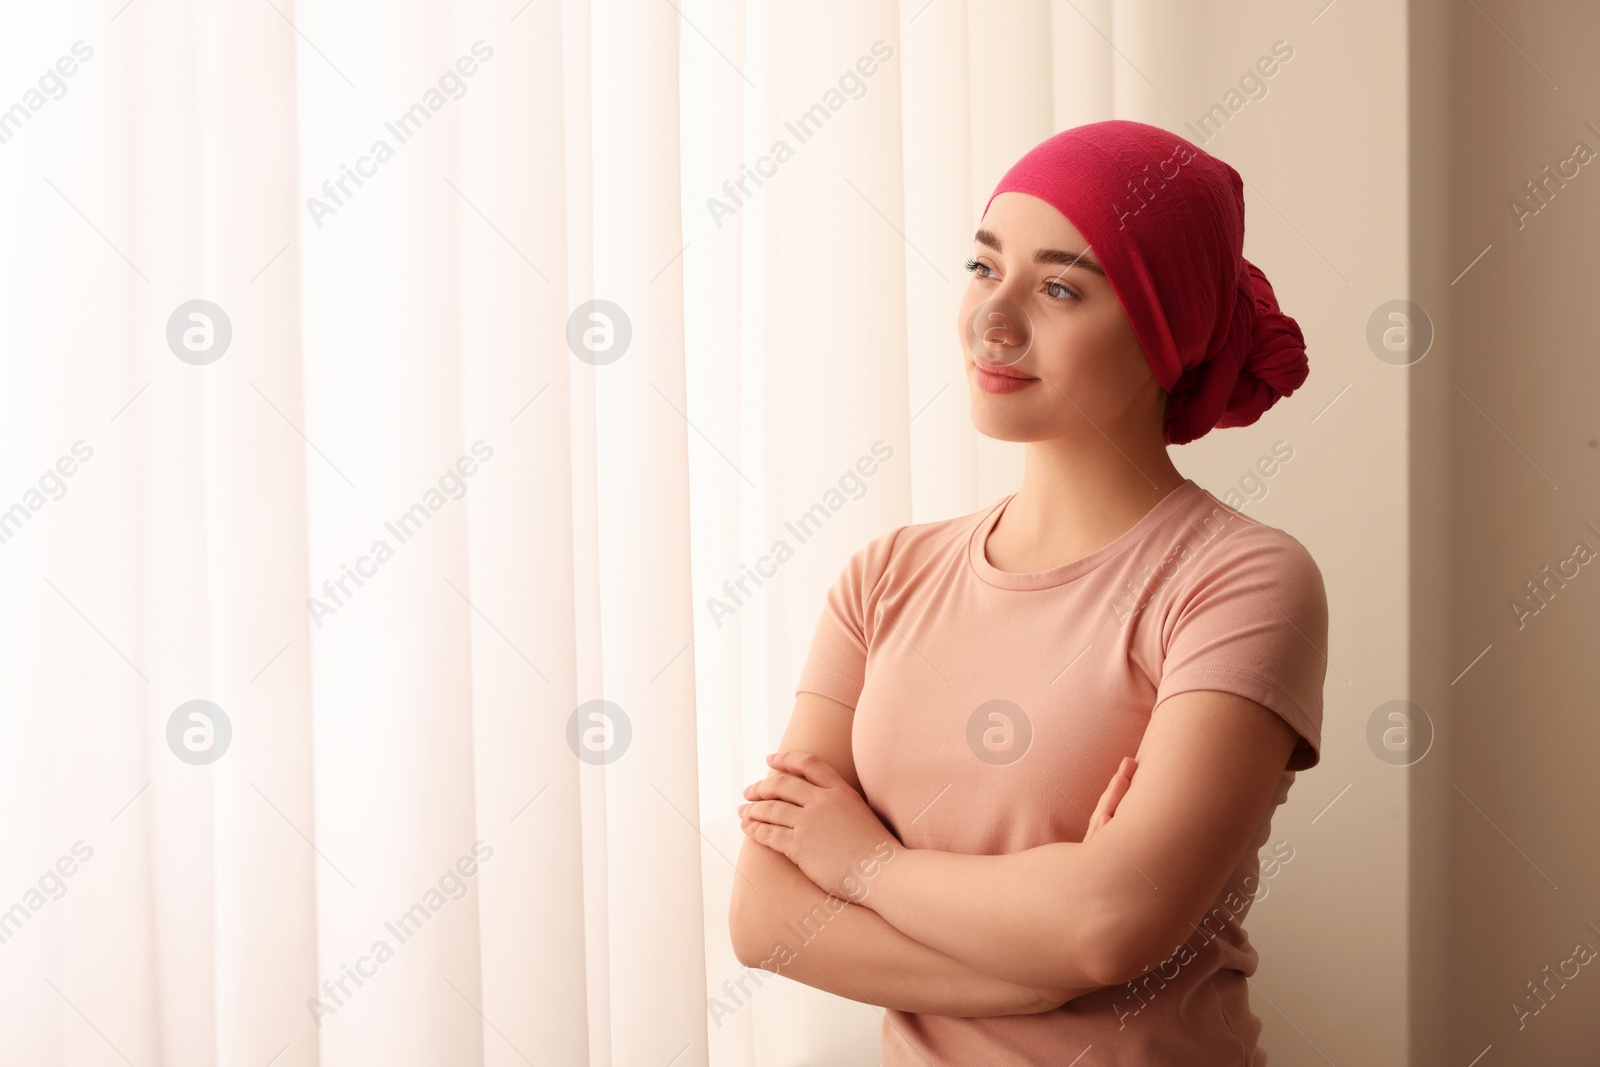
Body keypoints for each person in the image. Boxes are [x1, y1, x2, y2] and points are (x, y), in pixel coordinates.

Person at [729, 119, 1328, 1065]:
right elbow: (766, 918)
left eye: (1059, 287)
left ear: (1162, 334)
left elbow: (1106, 918)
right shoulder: (885, 576)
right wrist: (1042, 969)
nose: (993, 320)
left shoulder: (1240, 578)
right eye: (981, 267)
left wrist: (861, 863)